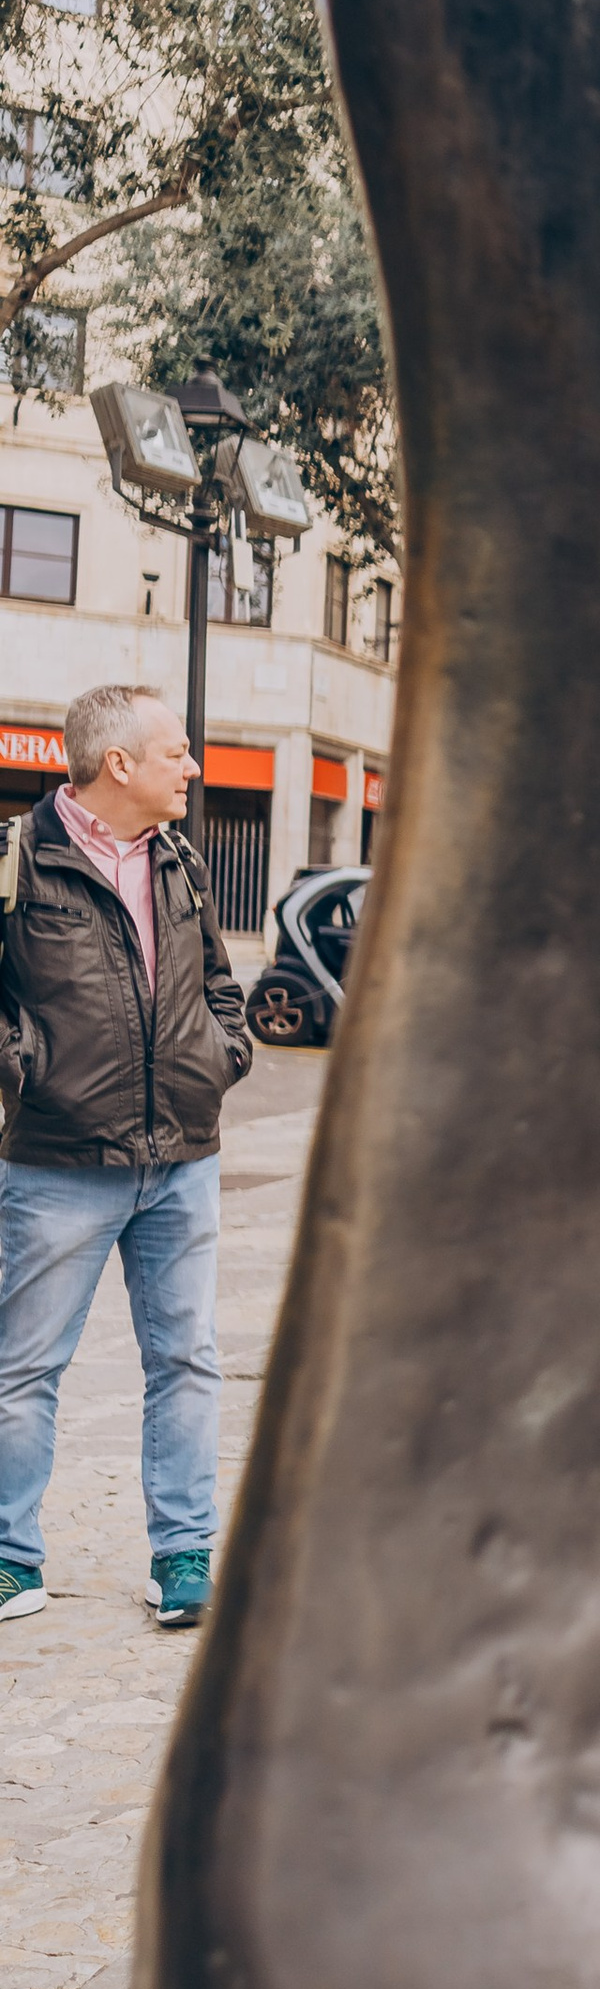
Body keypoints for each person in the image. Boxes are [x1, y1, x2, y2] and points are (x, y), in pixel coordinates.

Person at [0, 686, 254, 1626]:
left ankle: (183, 1557)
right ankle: (9, 1558)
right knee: (24, 1369)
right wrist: (28, 1074)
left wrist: (218, 1059)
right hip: (58, 1161)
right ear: (120, 766)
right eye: (178, 752)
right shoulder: (18, 858)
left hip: (182, 1154)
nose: (192, 768)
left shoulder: (180, 857)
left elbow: (219, 983)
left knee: (186, 1360)